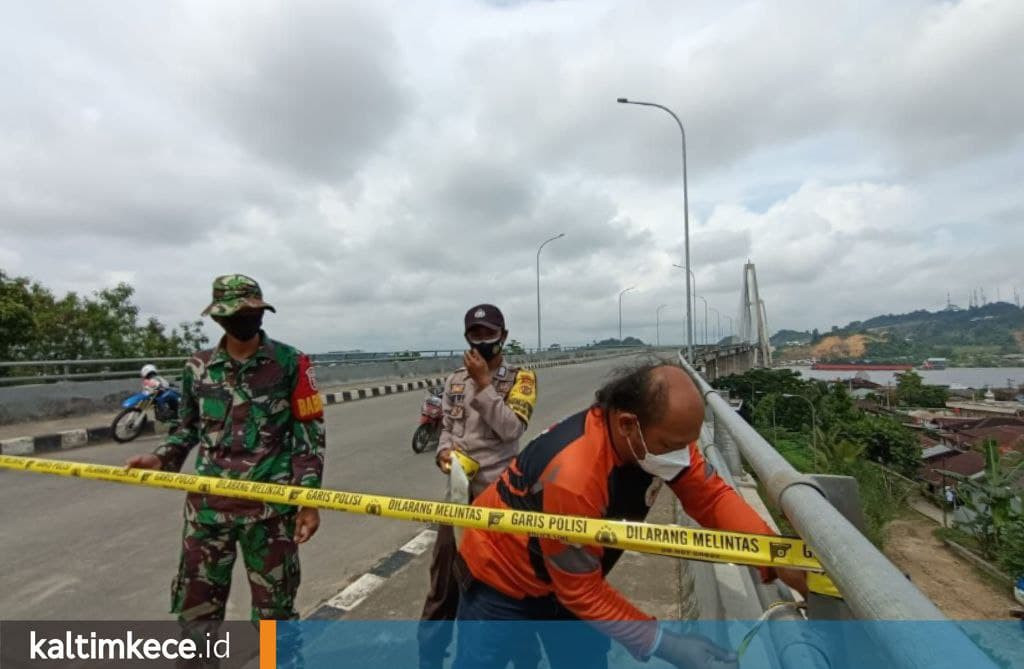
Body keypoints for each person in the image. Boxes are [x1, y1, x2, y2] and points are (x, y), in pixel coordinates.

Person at [454, 363, 808, 669]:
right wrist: (666, 644)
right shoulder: (576, 475)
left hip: (564, 572)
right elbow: (580, 590)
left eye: (687, 445)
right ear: (626, 424)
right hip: (499, 576)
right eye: (671, 445)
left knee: (584, 657)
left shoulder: (658, 442)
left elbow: (712, 497)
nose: (682, 457)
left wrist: (777, 556)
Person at [126, 274, 325, 633]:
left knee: (274, 623)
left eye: (254, 311)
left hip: (270, 514)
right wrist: (160, 458)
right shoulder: (197, 367)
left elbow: (308, 437)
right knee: (196, 616)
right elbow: (186, 429)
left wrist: (308, 500)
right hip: (207, 513)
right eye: (238, 313)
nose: (248, 318)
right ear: (220, 319)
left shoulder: (291, 362)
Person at [418, 303, 539, 669]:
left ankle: (521, 659)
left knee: (503, 592)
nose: (482, 340)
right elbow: (447, 429)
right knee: (442, 588)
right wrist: (443, 455)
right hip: (458, 498)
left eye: (489, 334)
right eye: (476, 334)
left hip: (500, 502)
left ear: (503, 335)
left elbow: (512, 429)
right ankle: (430, 659)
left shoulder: (521, 379)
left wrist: (486, 384)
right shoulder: (455, 380)